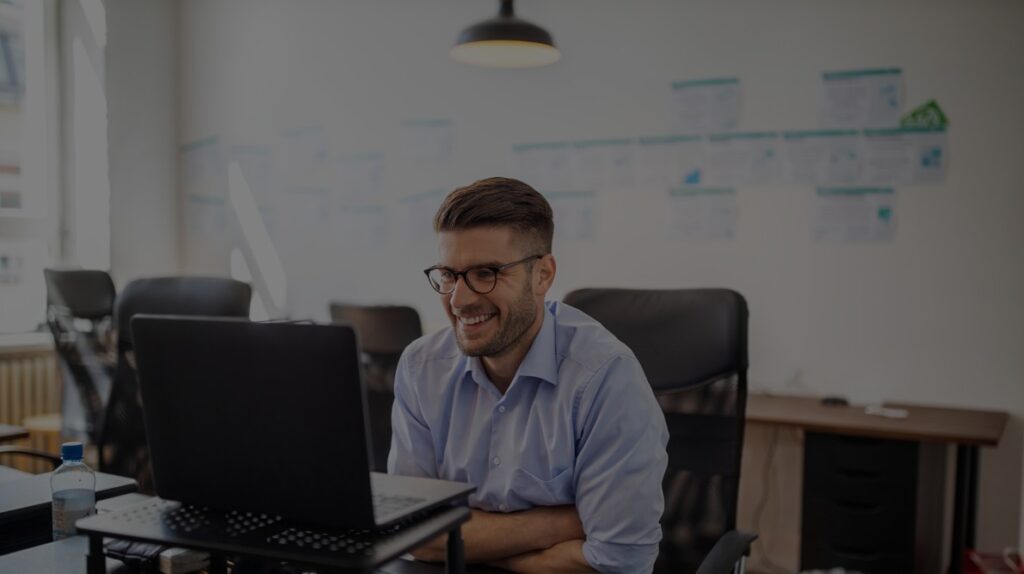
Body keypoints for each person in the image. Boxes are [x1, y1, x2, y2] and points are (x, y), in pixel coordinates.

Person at [388, 177, 669, 573]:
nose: (459, 299)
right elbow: (411, 533)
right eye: (448, 274)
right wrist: (562, 523)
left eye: (485, 272)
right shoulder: (422, 368)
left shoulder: (605, 379)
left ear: (542, 275)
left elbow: (618, 563)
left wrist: (464, 544)